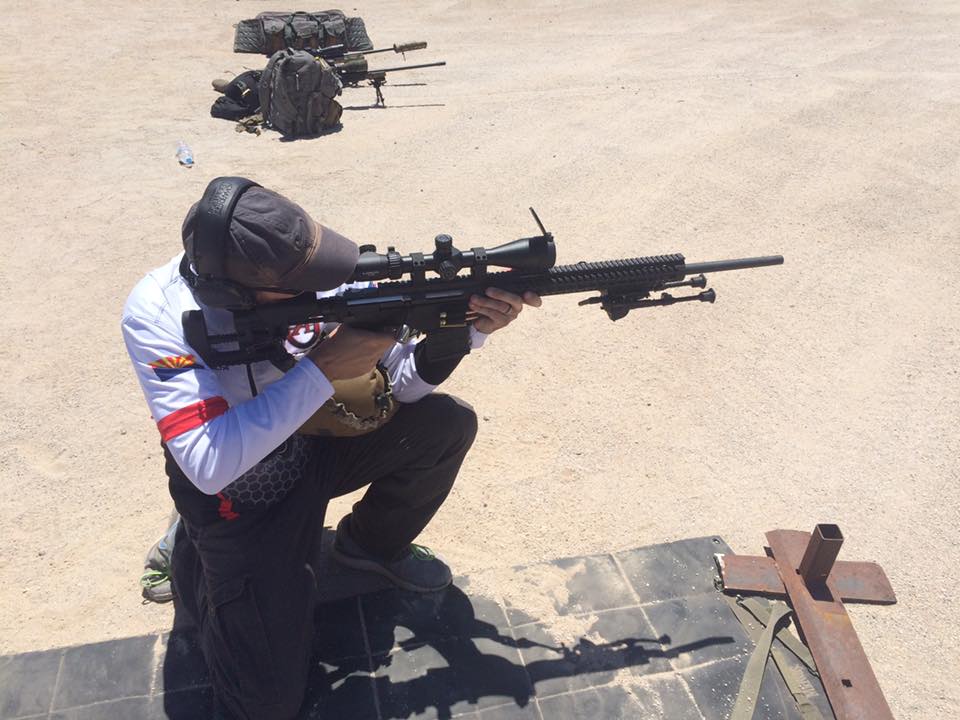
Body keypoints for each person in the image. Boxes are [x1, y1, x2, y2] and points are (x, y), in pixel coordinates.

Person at [121, 178, 540, 719]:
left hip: (318, 439)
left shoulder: (320, 274)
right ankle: (194, 553)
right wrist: (322, 369)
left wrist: (461, 331)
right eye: (300, 285)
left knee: (444, 425)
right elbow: (207, 462)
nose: (321, 289)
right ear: (236, 294)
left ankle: (367, 547)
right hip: (241, 485)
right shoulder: (157, 312)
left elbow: (401, 386)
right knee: (264, 707)